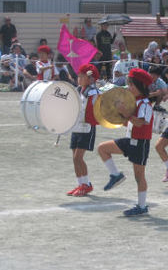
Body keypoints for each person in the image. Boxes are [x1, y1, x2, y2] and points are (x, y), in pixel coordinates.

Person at [98, 69, 154, 216]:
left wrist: (125, 113)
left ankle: (142, 206)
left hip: (141, 143)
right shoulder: (134, 102)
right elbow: (129, 122)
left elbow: (140, 123)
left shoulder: (145, 104)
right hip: (130, 140)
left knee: (139, 176)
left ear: (140, 86)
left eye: (132, 86)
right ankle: (115, 175)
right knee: (102, 149)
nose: (129, 89)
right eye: (128, 85)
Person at [66, 64, 101, 197]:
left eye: (82, 76)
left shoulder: (93, 92)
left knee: (78, 157)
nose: (78, 78)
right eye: (78, 76)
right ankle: (80, 184)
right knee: (74, 158)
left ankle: (87, 184)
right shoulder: (79, 90)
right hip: (76, 126)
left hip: (87, 127)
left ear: (90, 78)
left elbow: (96, 108)